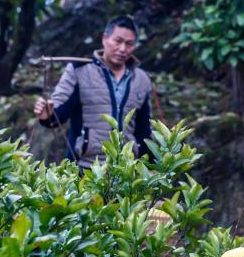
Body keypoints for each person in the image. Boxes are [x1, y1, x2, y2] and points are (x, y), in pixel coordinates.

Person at [34, 15, 154, 168]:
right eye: (118, 41)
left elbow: (144, 130)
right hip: (85, 167)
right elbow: (59, 111)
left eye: (129, 44)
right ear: (104, 38)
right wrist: (48, 115)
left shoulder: (142, 79)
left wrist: (151, 168)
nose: (122, 49)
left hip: (127, 170)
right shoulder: (79, 70)